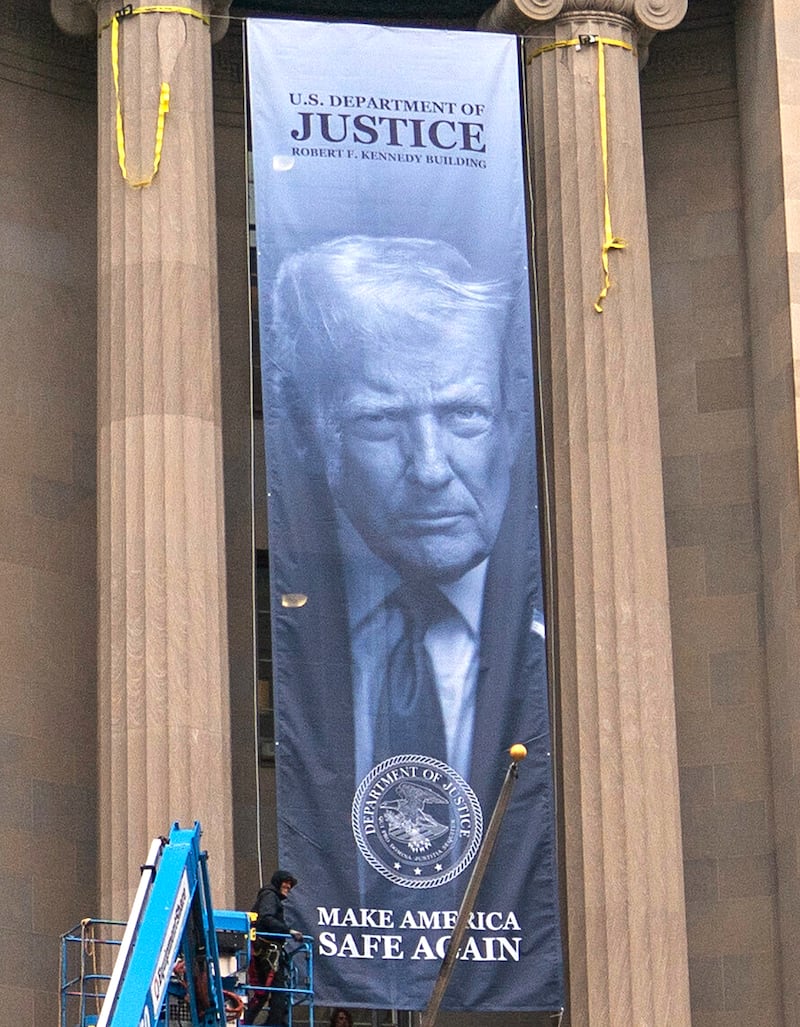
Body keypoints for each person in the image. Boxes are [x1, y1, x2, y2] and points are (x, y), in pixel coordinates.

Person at [265, 236, 551, 961]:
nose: (429, 469)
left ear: (513, 427)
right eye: (380, 422)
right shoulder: (301, 622)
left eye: (464, 416)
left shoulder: (546, 634)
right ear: (314, 437)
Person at [244, 870, 303, 1026]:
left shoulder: (270, 897)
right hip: (267, 952)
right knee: (278, 993)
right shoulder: (270, 896)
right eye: (286, 883)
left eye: (290, 884)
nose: (288, 887)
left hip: (264, 951)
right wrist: (288, 931)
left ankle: (247, 1021)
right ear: (278, 882)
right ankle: (274, 1023)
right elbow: (267, 918)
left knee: (263, 993)